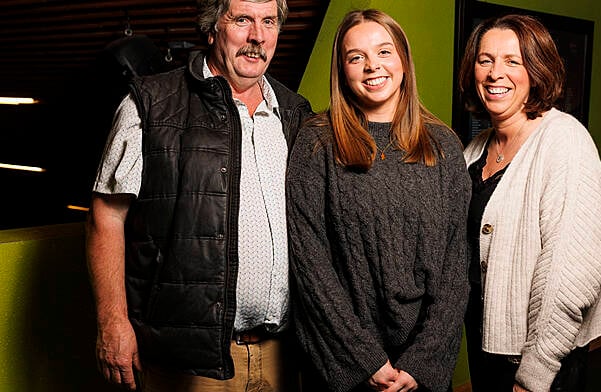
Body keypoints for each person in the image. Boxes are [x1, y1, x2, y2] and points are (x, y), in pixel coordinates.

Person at [85, 0, 312, 390]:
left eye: (269, 22)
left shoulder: (295, 112)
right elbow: (105, 216)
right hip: (189, 362)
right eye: (242, 20)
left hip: (281, 352)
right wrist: (113, 322)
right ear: (211, 28)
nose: (257, 36)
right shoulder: (151, 103)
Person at [286, 9, 470, 392]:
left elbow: (455, 269)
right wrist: (364, 360)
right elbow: (310, 264)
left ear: (403, 60)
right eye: (356, 57)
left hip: (420, 370)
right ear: (343, 69)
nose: (373, 66)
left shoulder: (444, 146)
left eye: (384, 52)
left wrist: (421, 362)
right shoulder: (316, 142)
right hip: (345, 364)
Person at [458, 14, 601, 392]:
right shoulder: (475, 150)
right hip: (487, 346)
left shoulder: (564, 141)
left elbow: (573, 269)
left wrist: (536, 373)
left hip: (542, 362)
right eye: (486, 60)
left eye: (512, 61)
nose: (496, 73)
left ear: (536, 71)